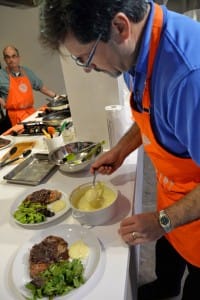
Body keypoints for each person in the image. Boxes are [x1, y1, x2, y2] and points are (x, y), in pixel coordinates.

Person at [39, 1, 200, 299]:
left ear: (119, 27)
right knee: (168, 259)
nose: (87, 70)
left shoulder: (190, 77)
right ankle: (166, 285)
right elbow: (154, 113)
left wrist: (163, 220)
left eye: (85, 57)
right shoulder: (135, 51)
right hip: (173, 189)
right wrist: (121, 150)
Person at [0, 45, 59, 128]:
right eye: (8, 57)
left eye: (14, 56)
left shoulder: (27, 72)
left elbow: (42, 88)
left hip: (30, 113)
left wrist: (58, 97)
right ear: (5, 59)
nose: (11, 60)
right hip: (13, 117)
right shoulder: (1, 75)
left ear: (18, 58)